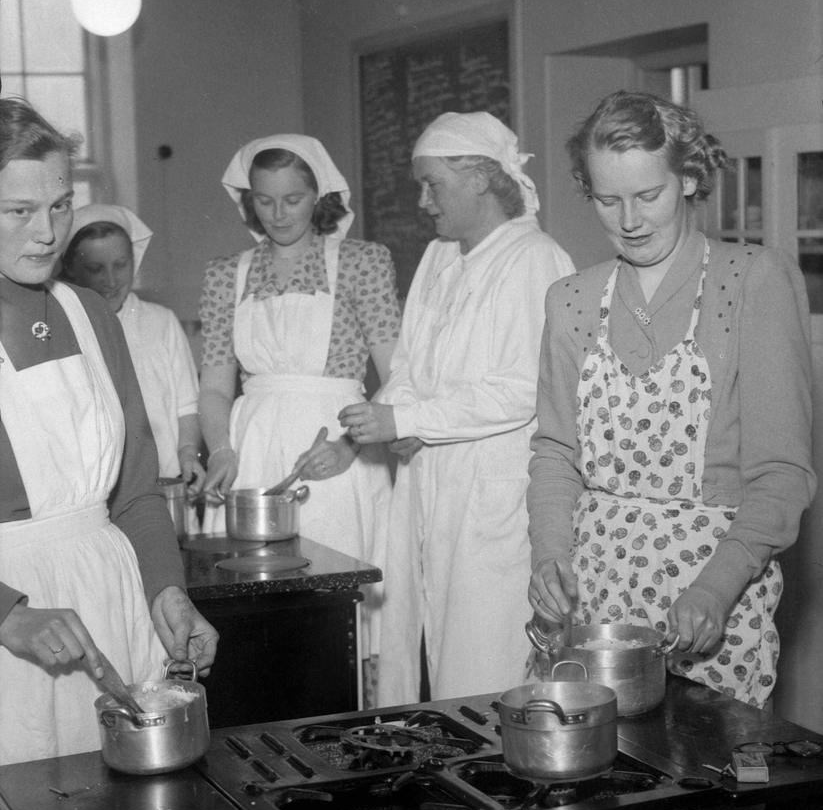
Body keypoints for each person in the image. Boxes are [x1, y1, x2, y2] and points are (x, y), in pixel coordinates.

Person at [0, 97, 218, 810]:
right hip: (15, 631)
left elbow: (135, 486)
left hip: (109, 607)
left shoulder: (91, 314)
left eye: (56, 206)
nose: (45, 232)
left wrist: (167, 592)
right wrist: (7, 612)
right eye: (16, 212)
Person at [527, 89, 815, 708]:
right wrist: (550, 555)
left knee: (700, 783)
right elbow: (556, 453)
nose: (629, 220)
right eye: (608, 200)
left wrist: (716, 588)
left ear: (687, 176)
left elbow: (782, 475)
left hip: (712, 596)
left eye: (647, 195)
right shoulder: (571, 300)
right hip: (593, 599)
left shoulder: (753, 281)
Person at [340, 111, 575, 703]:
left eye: (432, 184)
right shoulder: (441, 257)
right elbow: (410, 367)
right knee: (425, 651)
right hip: (431, 478)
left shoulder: (533, 258)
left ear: (478, 178)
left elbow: (521, 389)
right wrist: (376, 419)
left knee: (484, 661)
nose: (423, 201)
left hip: (492, 491)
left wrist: (409, 421)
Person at [198, 134, 401, 667]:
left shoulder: (362, 262)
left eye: (292, 199)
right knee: (260, 614)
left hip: (338, 448)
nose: (278, 213)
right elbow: (216, 384)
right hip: (255, 453)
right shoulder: (227, 275)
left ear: (320, 195)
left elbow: (398, 375)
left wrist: (351, 447)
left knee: (337, 611)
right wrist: (221, 449)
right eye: (264, 200)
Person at [61, 204, 205, 531]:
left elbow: (187, 405)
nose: (111, 280)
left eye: (121, 265)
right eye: (95, 268)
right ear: (70, 268)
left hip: (164, 489)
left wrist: (187, 454)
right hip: (94, 500)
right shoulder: (66, 326)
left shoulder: (161, 322)